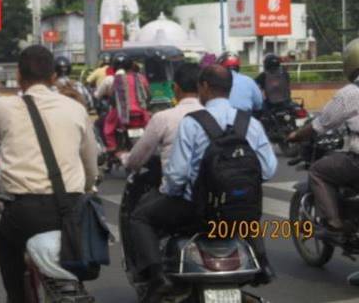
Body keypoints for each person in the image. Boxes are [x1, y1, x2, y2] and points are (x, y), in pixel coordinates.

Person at [128, 65, 277, 302]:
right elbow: (268, 170)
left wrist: (169, 192)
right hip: (240, 213)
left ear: (204, 87)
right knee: (247, 213)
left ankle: (158, 278)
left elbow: (176, 176)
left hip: (196, 211)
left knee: (140, 218)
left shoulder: (193, 122)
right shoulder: (250, 123)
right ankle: (263, 264)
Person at [0, 45, 98, 303]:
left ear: (18, 76)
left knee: (5, 243)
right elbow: (90, 166)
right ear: (53, 77)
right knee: (75, 255)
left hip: (24, 211)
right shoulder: (75, 109)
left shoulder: (1, 107)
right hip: (71, 207)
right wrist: (84, 190)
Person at [287, 38, 359, 242]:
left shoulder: (350, 94)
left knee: (319, 170)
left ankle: (334, 224)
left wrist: (295, 135)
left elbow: (320, 124)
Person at [123, 62, 203, 190]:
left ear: (175, 87)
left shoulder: (163, 118)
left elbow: (137, 157)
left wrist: (125, 159)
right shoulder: (214, 115)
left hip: (174, 195)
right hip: (209, 194)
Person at [95, 53, 150, 153]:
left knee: (108, 126)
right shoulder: (140, 78)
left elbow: (104, 96)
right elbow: (148, 94)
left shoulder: (113, 79)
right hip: (141, 115)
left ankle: (112, 146)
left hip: (122, 115)